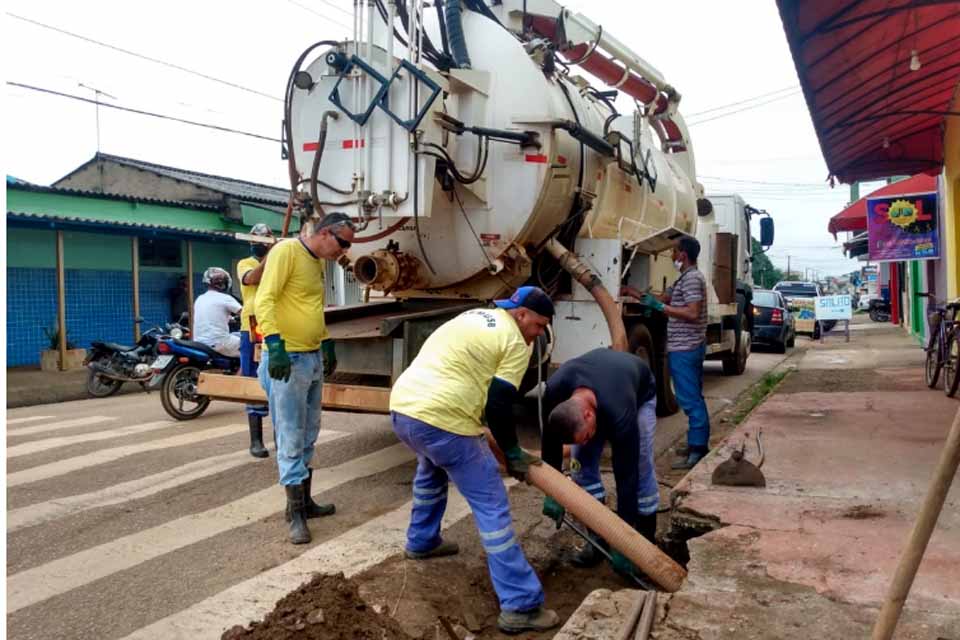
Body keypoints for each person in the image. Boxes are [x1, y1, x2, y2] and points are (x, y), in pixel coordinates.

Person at [389, 286, 561, 635]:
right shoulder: (515, 341)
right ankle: (520, 605)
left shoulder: (474, 316)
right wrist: (511, 453)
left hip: (403, 409)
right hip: (442, 419)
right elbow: (499, 401)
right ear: (522, 315)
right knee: (492, 504)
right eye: (539, 325)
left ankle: (422, 541)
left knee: (431, 467)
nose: (539, 334)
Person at [255, 212, 355, 545]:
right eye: (342, 243)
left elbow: (312, 306)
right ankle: (294, 513)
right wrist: (273, 343)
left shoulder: (317, 262)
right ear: (325, 233)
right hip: (288, 359)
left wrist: (325, 342)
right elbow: (264, 298)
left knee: (310, 432)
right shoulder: (286, 251)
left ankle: (306, 502)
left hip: (310, 357)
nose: (343, 251)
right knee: (290, 434)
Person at [539, 348, 659, 579]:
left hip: (639, 394)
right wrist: (551, 490)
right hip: (601, 389)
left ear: (588, 416)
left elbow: (626, 475)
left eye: (586, 436)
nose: (589, 440)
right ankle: (597, 540)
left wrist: (626, 545)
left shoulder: (621, 411)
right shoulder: (554, 390)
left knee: (641, 466)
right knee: (580, 464)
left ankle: (645, 542)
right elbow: (550, 442)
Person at [623, 235, 709, 470]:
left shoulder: (692, 280)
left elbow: (692, 313)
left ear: (683, 254)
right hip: (685, 345)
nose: (671, 255)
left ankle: (698, 449)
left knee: (690, 400)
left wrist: (662, 308)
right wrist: (634, 293)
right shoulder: (684, 278)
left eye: (674, 251)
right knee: (691, 396)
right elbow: (662, 298)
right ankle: (695, 443)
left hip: (686, 346)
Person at [237, 223, 274, 459]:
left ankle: (281, 437)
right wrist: (272, 257)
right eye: (258, 242)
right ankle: (256, 440)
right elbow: (251, 279)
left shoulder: (277, 261)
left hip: (275, 325)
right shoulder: (246, 263)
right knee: (253, 381)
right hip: (252, 327)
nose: (260, 245)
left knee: (279, 382)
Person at [193, 267, 242, 357]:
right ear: (224, 284)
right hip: (219, 342)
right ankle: (242, 371)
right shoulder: (225, 298)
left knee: (235, 335)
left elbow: (212, 316)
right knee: (250, 348)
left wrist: (231, 319)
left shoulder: (200, 298)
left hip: (199, 342)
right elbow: (244, 314)